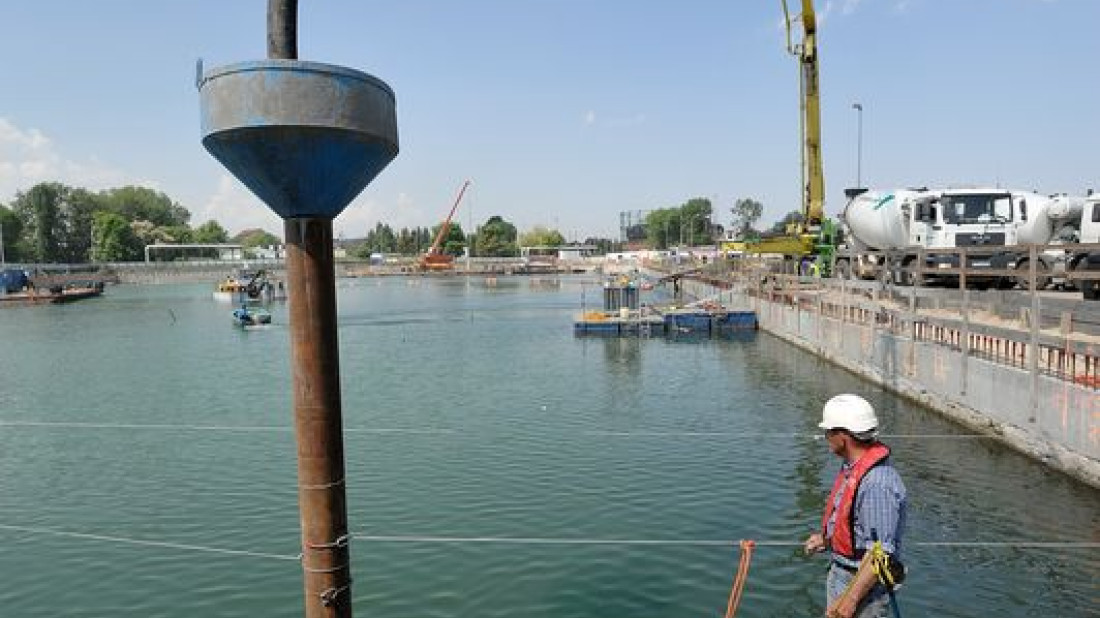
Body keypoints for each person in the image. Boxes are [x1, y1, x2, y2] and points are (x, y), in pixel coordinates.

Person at [804, 394, 907, 618]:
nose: (826, 437)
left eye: (828, 432)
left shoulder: (877, 484)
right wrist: (828, 539)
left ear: (843, 436)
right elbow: (856, 524)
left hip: (862, 589)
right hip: (844, 574)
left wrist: (850, 600)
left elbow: (880, 553)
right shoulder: (853, 468)